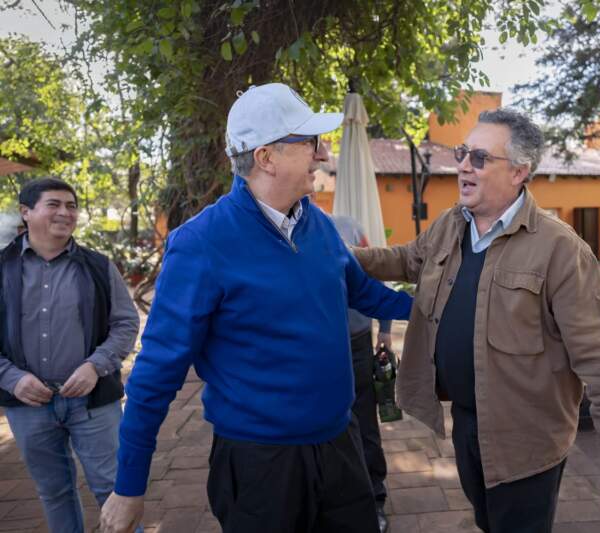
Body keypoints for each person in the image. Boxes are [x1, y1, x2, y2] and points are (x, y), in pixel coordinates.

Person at [100, 83, 413, 533]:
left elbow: (362, 292)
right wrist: (129, 485)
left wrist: (433, 308)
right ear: (266, 157)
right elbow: (156, 372)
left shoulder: (318, 224)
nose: (321, 154)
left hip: (340, 446)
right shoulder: (201, 243)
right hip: (260, 464)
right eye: (309, 142)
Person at [353, 108, 600, 532]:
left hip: (526, 440)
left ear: (519, 172)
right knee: (488, 522)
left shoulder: (559, 249)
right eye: (462, 153)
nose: (463, 166)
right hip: (467, 424)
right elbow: (404, 259)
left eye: (480, 158)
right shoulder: (451, 225)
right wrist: (338, 255)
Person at [0, 177, 141, 533]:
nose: (65, 212)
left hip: (93, 402)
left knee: (114, 490)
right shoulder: (1, 268)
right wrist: (11, 378)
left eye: (71, 206)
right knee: (54, 493)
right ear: (26, 212)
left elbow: (125, 324)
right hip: (27, 405)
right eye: (54, 204)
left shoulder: (98, 266)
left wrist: (96, 366)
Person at [331, 214, 393, 533]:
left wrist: (385, 328)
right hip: (315, 347)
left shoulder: (348, 228)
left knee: (364, 420)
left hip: (356, 343)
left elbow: (375, 276)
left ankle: (375, 499)